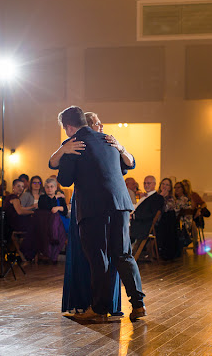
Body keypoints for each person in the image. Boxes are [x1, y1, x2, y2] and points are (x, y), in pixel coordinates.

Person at [56, 106, 145, 321]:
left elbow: (65, 180)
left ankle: (99, 310)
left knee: (99, 257)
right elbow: (124, 168)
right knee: (124, 255)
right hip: (121, 204)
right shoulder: (109, 140)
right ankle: (138, 305)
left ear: (69, 127)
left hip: (94, 207)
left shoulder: (73, 144)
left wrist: (63, 152)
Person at [4, 178, 38, 261]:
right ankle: (28, 253)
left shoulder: (9, 197)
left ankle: (26, 252)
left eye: (22, 186)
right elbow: (19, 212)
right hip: (14, 224)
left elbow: (20, 209)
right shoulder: (14, 198)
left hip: (8, 223)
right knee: (35, 226)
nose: (21, 188)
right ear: (13, 187)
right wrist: (32, 212)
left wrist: (31, 208)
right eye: (18, 186)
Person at [130, 176, 164, 244]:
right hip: (135, 222)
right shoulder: (146, 196)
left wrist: (133, 216)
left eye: (148, 183)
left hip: (142, 226)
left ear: (154, 184)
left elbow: (150, 214)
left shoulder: (157, 198)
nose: (146, 185)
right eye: (144, 183)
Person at [154, 177, 181, 260]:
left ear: (170, 187)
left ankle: (164, 250)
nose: (164, 186)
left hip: (166, 223)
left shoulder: (171, 198)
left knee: (168, 216)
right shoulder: (155, 196)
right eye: (163, 184)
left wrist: (161, 198)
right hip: (156, 220)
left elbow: (165, 208)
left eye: (167, 185)